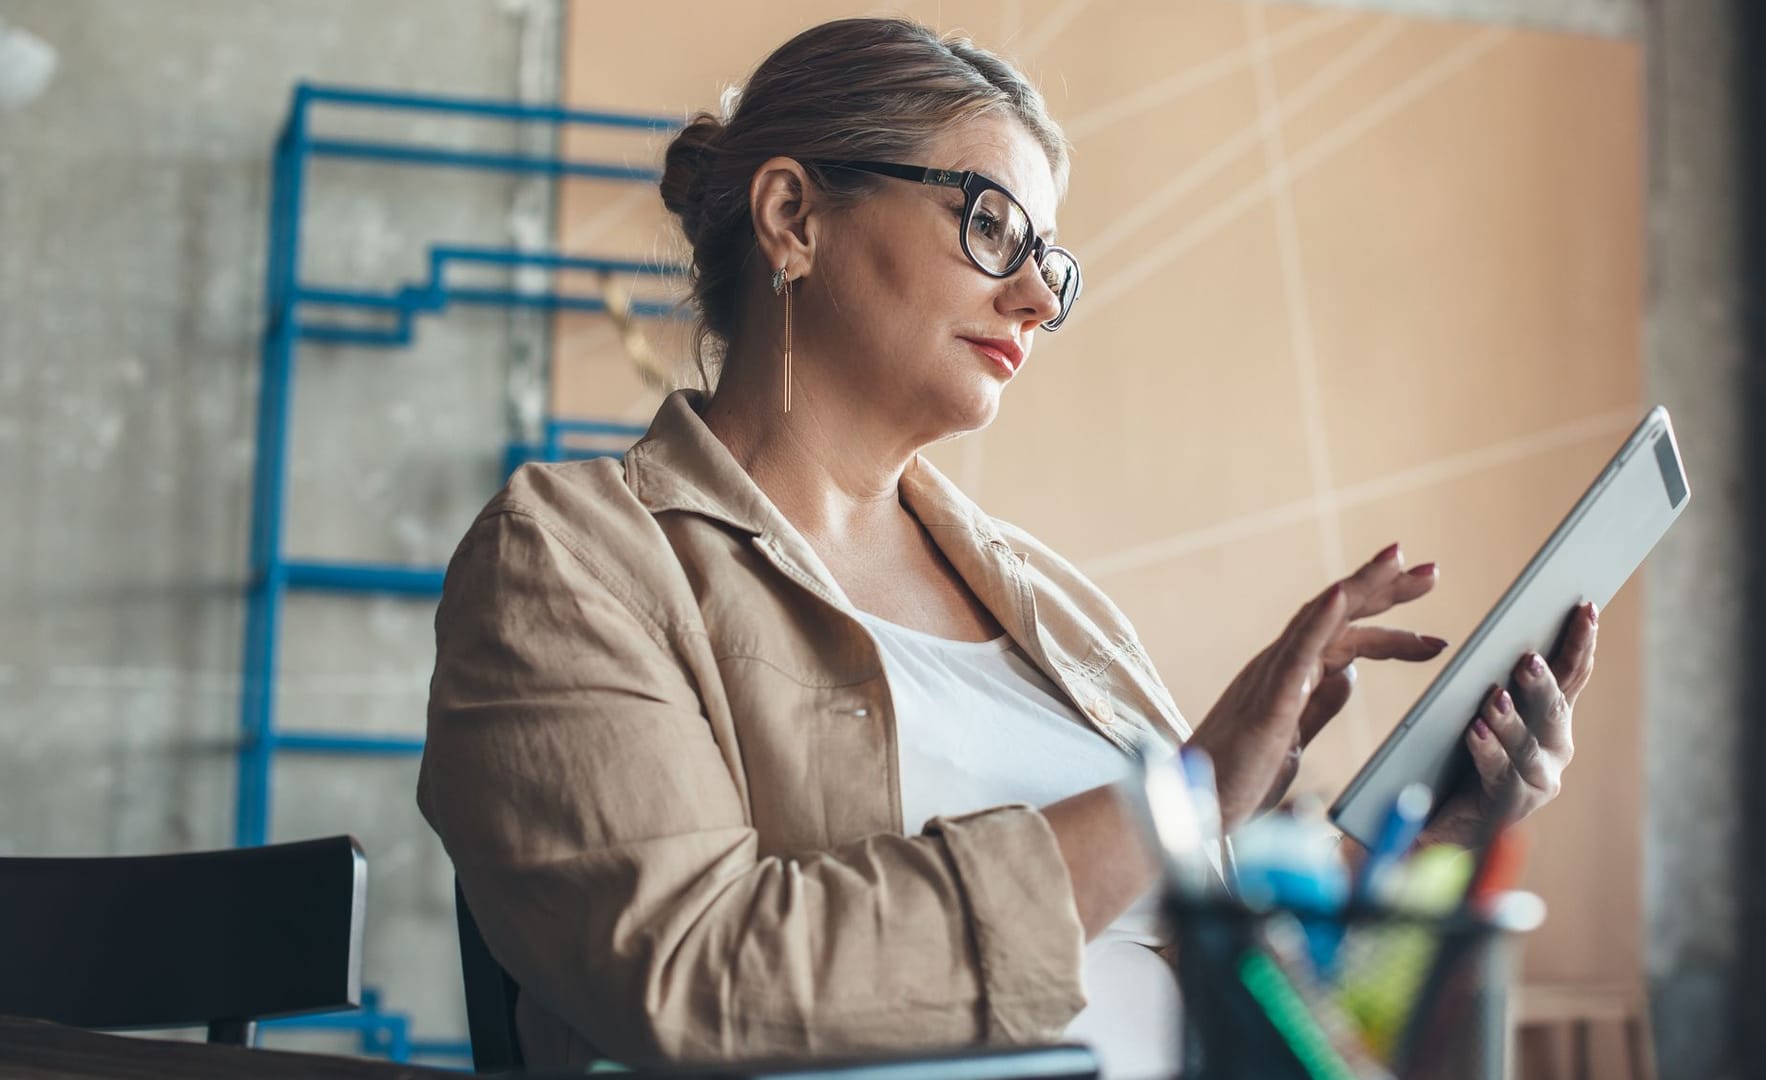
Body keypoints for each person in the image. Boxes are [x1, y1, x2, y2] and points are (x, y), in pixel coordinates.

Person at [417, 16, 1595, 1076]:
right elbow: (692, 974)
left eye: (1052, 259)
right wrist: (1168, 807)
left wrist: (1441, 845)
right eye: (991, 224)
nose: (1036, 294)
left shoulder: (1057, 610)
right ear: (794, 216)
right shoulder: (570, 562)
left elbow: (1272, 1016)